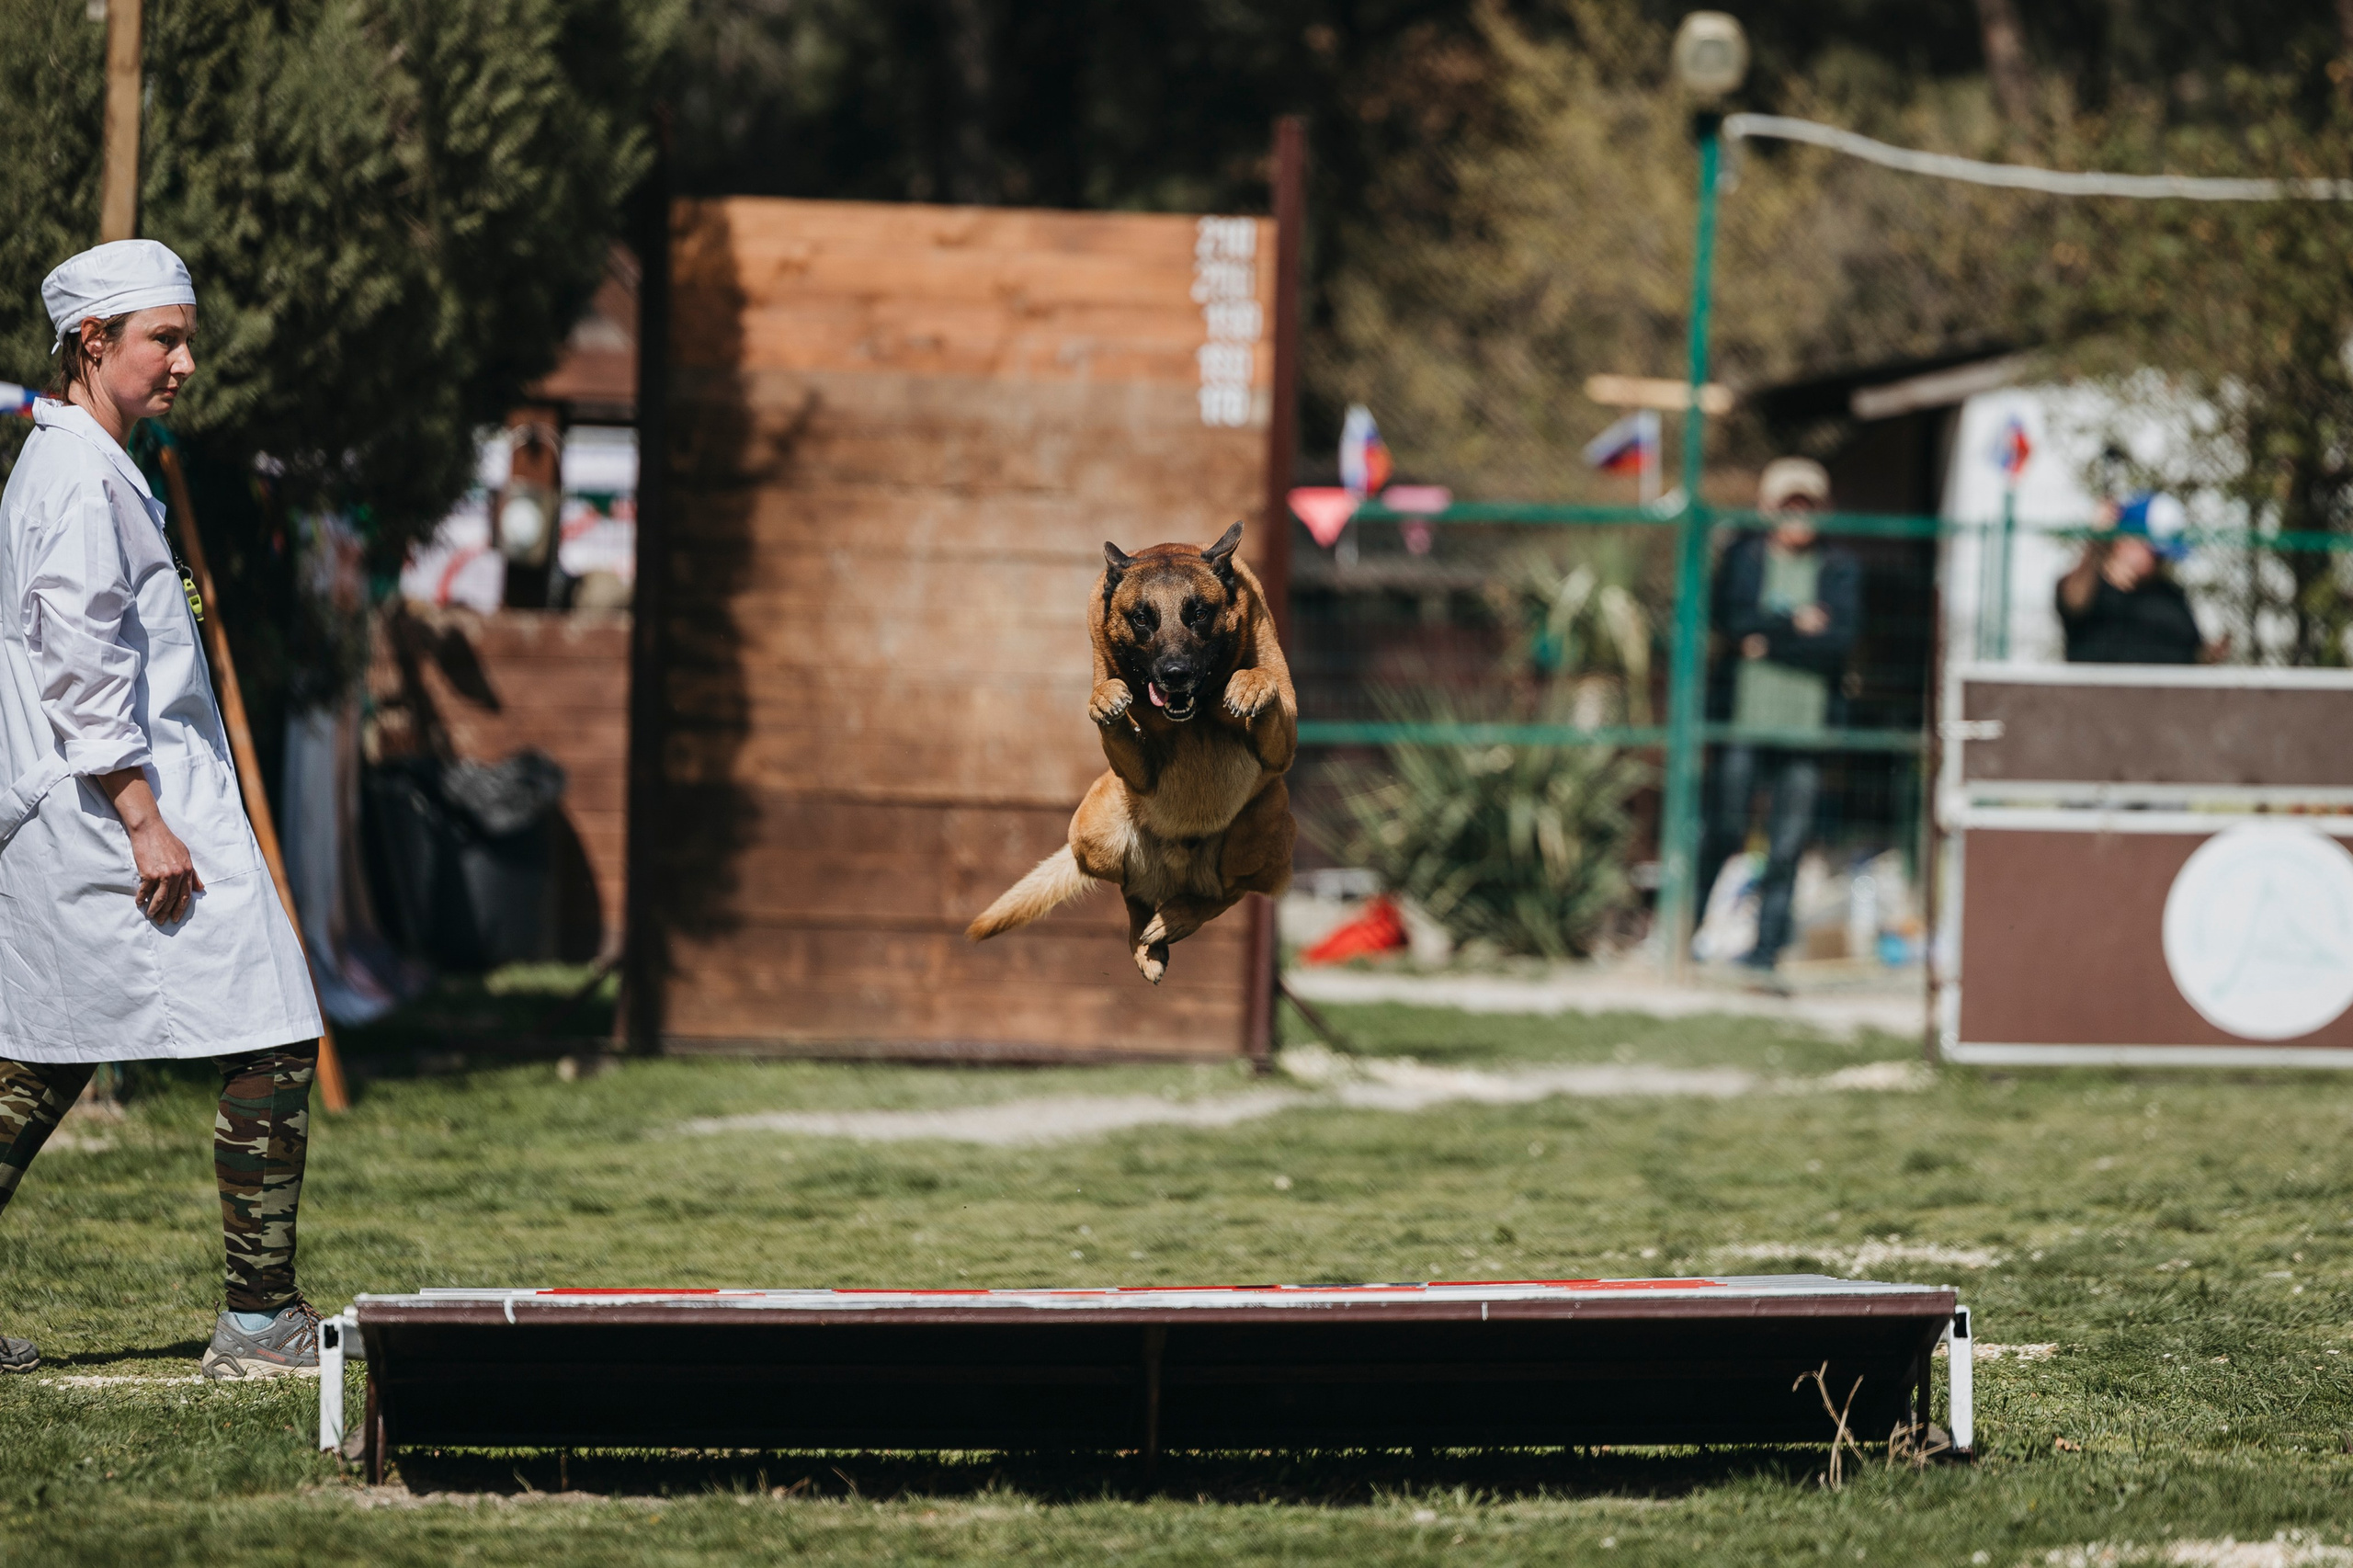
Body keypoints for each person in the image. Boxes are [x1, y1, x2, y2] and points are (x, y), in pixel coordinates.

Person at [0, 241, 324, 1379]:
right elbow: (78, 664)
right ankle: (257, 1322)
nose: (187, 359)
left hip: (114, 812)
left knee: (39, 1062)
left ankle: (257, 1315)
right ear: (93, 344)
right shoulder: (78, 478)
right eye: (163, 339)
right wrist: (145, 816)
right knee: (272, 1035)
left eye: (188, 335)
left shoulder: (88, 462)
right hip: (118, 818)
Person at [1697, 457, 1860, 979]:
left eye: (1807, 507)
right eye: (1788, 507)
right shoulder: (1743, 558)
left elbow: (1838, 643)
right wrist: (1797, 622)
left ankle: (1765, 952)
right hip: (1742, 722)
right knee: (1724, 830)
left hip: (1807, 728)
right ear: (1768, 509)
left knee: (1788, 845)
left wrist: (1769, 640)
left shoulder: (1839, 567)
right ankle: (1691, 936)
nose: (1797, 518)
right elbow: (1731, 619)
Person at [2056, 494, 2203, 664]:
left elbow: (2191, 654)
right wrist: (2095, 542)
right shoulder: (2091, 590)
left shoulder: (2172, 597)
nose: (2160, 563)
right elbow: (2073, 601)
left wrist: (2207, 658)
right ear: (2125, 539)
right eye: (2154, 554)